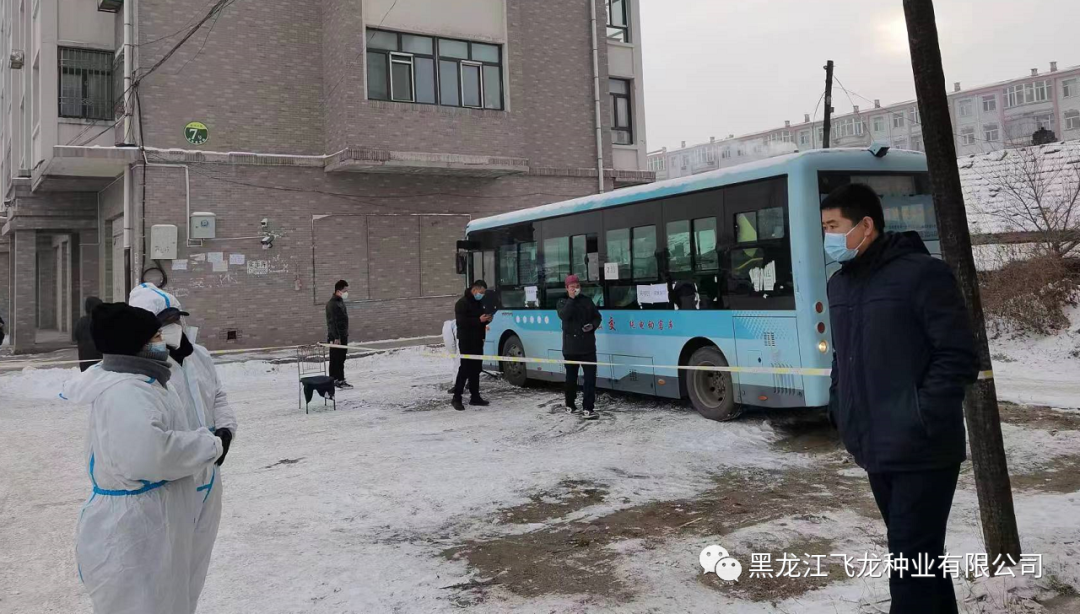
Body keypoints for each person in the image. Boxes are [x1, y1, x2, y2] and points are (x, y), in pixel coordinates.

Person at [821, 183, 978, 614]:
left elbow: (957, 355)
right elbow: (842, 357)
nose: (827, 237)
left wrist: (920, 415)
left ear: (865, 225)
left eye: (833, 226)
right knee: (920, 558)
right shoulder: (840, 285)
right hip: (875, 447)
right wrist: (841, 407)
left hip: (924, 448)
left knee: (909, 561)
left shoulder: (923, 274)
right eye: (824, 228)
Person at [63, 302, 223, 614]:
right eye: (155, 336)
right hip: (138, 529)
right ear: (135, 343)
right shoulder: (127, 391)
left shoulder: (144, 382)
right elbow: (150, 455)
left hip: (154, 521)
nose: (162, 341)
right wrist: (208, 445)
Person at [129, 283, 238, 612]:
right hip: (172, 484)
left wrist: (226, 431)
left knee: (196, 565)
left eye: (177, 319)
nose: (174, 327)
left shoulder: (198, 356)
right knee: (166, 572)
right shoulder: (143, 368)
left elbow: (218, 396)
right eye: (165, 322)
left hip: (209, 477)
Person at [557, 275, 602, 420]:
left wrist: (592, 326)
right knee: (571, 377)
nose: (575, 289)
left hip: (588, 346)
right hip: (570, 348)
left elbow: (597, 316)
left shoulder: (587, 300)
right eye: (572, 287)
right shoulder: (562, 301)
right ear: (566, 288)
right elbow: (564, 316)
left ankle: (588, 408)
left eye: (577, 286)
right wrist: (571, 299)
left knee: (590, 378)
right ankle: (570, 404)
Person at [451, 280, 492, 411]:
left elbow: (479, 321)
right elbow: (461, 322)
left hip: (478, 340)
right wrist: (478, 320)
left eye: (483, 293)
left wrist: (486, 320)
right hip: (466, 340)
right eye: (481, 292)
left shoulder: (478, 302)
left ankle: (475, 396)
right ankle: (456, 398)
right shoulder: (462, 303)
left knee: (476, 368)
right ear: (474, 290)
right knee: (465, 369)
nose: (482, 295)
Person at [325, 280, 352, 389]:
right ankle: (337, 380)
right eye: (345, 290)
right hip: (336, 337)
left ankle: (337, 379)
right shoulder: (332, 304)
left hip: (342, 335)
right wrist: (336, 337)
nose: (346, 293)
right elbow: (331, 322)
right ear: (338, 291)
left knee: (340, 358)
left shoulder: (340, 301)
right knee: (336, 358)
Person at [73, 296, 104, 371]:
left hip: (84, 360)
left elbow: (75, 336)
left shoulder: (80, 321)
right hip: (99, 360)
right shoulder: (102, 321)